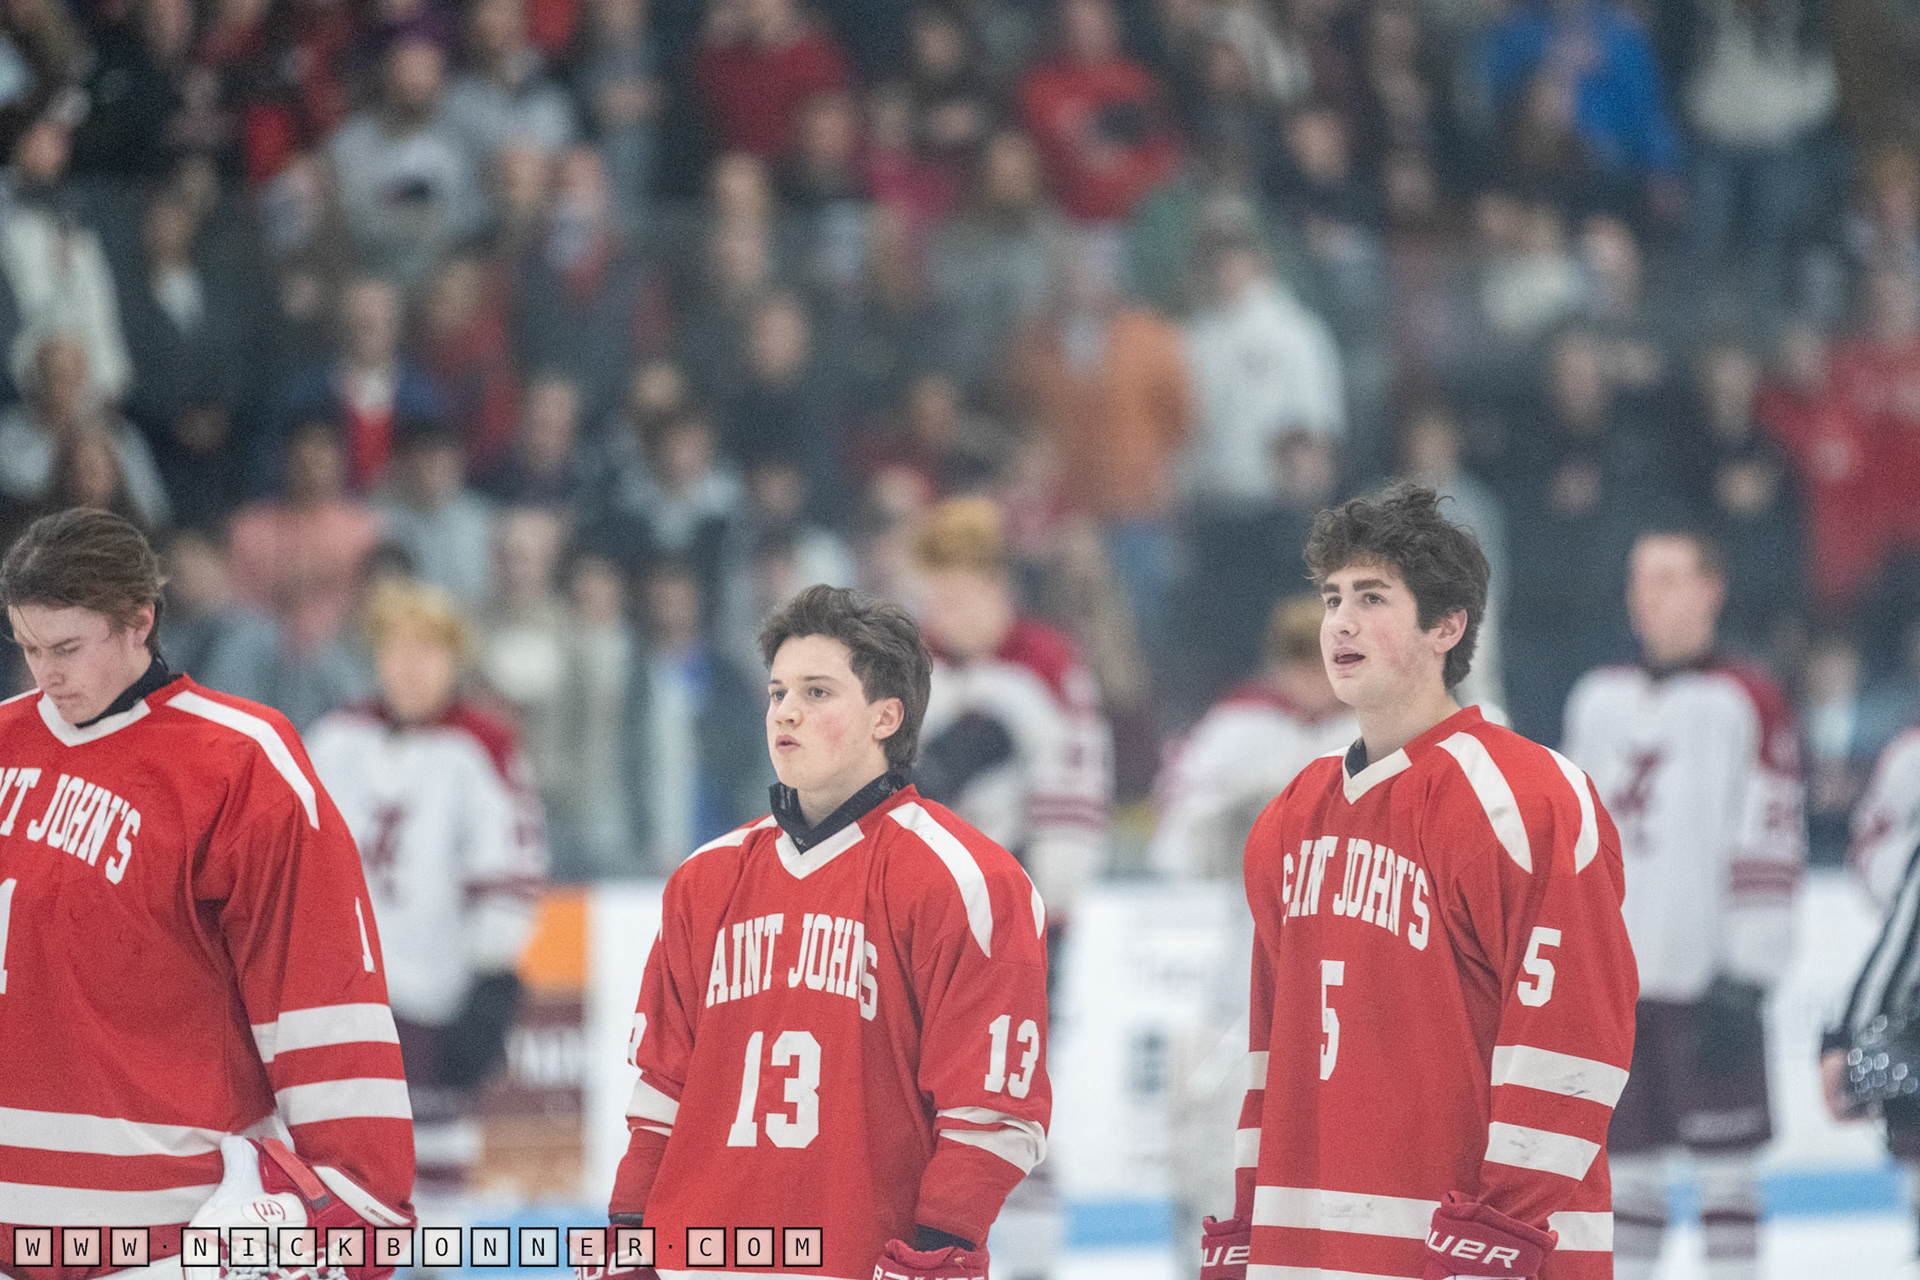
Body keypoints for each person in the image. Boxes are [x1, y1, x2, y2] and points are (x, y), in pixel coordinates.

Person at [1204, 484, 1636, 1280]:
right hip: (1309, 1252)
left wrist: (1497, 1238)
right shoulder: (1291, 818)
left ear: (1447, 626)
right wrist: (1249, 1221)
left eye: (1372, 598)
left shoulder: (1525, 801)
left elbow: (1573, 1044)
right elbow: (1272, 1053)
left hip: (1473, 1256)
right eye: (1333, 598)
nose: (1340, 621)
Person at [0, 507, 413, 1269]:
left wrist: (361, 1200)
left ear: (139, 622)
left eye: (67, 648)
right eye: (27, 647)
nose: (44, 674)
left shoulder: (239, 761)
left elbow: (319, 988)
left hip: (164, 1237)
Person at [608, 584, 1050, 1280]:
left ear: (886, 716)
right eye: (778, 692)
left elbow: (990, 1112)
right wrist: (625, 1240)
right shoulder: (704, 880)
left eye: (817, 692)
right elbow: (661, 1092)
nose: (786, 711)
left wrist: (936, 1250)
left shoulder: (966, 880)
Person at [1560, 529, 1805, 1280]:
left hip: (1710, 982)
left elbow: (1770, 834)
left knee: (1727, 1173)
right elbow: (1571, 839)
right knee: (1625, 1175)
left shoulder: (1747, 698)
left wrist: (1749, 973)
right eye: (1641, 579)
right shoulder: (1596, 698)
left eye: (1669, 577)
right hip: (1615, 989)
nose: (1650, 594)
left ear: (1710, 591)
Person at [306, 579, 548, 1208]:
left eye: (428, 651)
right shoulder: (334, 738)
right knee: (335, 1156)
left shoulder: (482, 745)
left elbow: (511, 863)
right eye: (397, 648)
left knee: (434, 1157)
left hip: (436, 989)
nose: (410, 666)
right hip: (340, 990)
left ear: (453, 660)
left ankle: (435, 1252)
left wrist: (491, 968)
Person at [1151, 595, 1356, 880]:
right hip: (1234, 881)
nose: (1311, 679)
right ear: (1279, 666)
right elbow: (1181, 809)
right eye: (1299, 665)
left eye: (1321, 665)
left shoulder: (1373, 727)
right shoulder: (1238, 721)